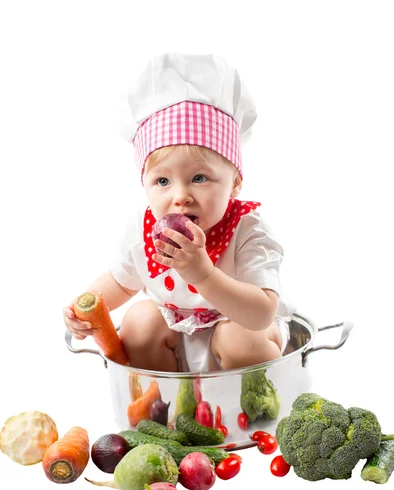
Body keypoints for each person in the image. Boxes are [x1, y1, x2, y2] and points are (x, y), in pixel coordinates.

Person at [63, 53, 291, 373]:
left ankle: (250, 410)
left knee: (239, 338)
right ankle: (167, 411)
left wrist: (204, 274)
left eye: (199, 178)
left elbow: (262, 313)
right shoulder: (142, 232)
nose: (180, 196)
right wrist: (84, 309)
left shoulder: (249, 230)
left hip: (242, 339)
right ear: (143, 183)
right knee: (140, 322)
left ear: (235, 183)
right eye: (163, 181)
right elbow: (121, 282)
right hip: (176, 351)